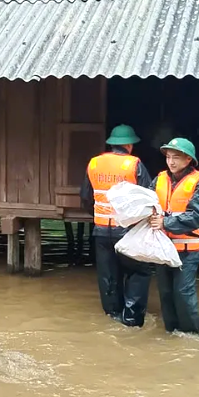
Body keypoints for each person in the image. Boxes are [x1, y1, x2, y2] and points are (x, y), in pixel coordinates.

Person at [79, 125, 154, 327]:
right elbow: (147, 197)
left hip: (102, 229)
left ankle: (112, 315)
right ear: (129, 145)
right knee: (139, 270)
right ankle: (131, 318)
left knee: (108, 274)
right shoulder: (134, 164)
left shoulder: (94, 164)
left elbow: (86, 198)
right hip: (126, 230)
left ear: (111, 145)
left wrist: (98, 216)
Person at [149, 138, 199, 335]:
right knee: (166, 293)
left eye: (176, 157)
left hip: (188, 250)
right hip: (163, 247)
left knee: (183, 293)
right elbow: (147, 202)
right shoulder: (159, 179)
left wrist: (165, 223)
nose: (171, 161)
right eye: (168, 157)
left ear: (188, 160)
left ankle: (192, 335)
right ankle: (171, 332)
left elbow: (197, 215)